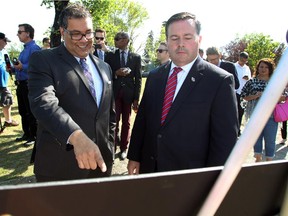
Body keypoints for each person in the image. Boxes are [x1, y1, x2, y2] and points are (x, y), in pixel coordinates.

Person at [127, 12, 238, 174]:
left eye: (187, 37)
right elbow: (143, 119)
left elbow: (225, 141)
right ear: (167, 41)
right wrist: (135, 155)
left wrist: (211, 181)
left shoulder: (219, 81)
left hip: (190, 177)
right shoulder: (155, 76)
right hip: (150, 169)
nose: (180, 44)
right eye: (174, 38)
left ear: (199, 40)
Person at [28, 2, 115, 182]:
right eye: (76, 34)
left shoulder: (105, 67)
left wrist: (110, 147)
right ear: (62, 32)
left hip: (101, 166)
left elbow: (109, 116)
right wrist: (76, 136)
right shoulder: (43, 60)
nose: (84, 39)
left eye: (88, 33)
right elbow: (44, 103)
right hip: (61, 168)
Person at [105, 32, 142, 160]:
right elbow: (105, 74)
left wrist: (136, 99)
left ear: (126, 40)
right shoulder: (109, 55)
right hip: (114, 94)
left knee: (126, 122)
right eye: (114, 38)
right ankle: (113, 147)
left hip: (128, 95)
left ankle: (124, 149)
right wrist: (116, 73)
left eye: (117, 39)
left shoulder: (136, 57)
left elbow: (138, 79)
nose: (114, 41)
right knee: (114, 121)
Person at [241, 58, 279, 162]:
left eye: (266, 67)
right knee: (256, 138)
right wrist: (255, 96)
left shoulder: (275, 82)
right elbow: (244, 95)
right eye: (261, 67)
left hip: (271, 115)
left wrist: (270, 95)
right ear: (257, 68)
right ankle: (258, 160)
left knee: (270, 140)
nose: (263, 69)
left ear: (270, 69)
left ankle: (269, 162)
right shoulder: (252, 81)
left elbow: (283, 96)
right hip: (255, 114)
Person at [14, 23, 41, 146]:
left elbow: (35, 66)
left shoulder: (34, 48)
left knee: (30, 111)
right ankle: (27, 133)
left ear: (28, 33)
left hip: (29, 84)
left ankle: (34, 135)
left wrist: (22, 67)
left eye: (20, 32)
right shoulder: (24, 49)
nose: (17, 34)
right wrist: (14, 68)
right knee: (23, 110)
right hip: (21, 84)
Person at [0, 32, 19, 128]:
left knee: (7, 99)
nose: (6, 43)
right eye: (4, 41)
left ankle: (8, 120)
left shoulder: (4, 52)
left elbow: (9, 65)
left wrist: (12, 68)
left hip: (3, 81)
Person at [235, 51, 251, 135]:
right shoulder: (234, 66)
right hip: (234, 92)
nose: (243, 62)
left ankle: (238, 130)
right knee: (234, 111)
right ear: (239, 58)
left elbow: (250, 79)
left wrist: (247, 78)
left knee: (241, 112)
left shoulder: (247, 68)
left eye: (244, 60)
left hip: (243, 93)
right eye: (241, 60)